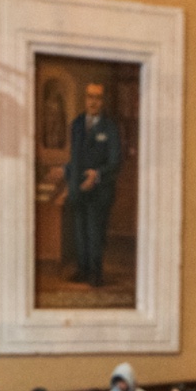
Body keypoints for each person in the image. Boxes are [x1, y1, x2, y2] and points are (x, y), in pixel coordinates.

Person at [56, 79, 124, 287]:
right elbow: (76, 159)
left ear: (102, 101)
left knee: (95, 233)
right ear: (85, 99)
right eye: (89, 97)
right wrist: (65, 170)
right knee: (80, 232)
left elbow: (116, 162)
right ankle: (83, 270)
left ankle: (96, 273)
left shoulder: (110, 128)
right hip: (79, 189)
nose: (93, 102)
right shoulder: (76, 124)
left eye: (98, 98)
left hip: (100, 191)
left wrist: (97, 174)